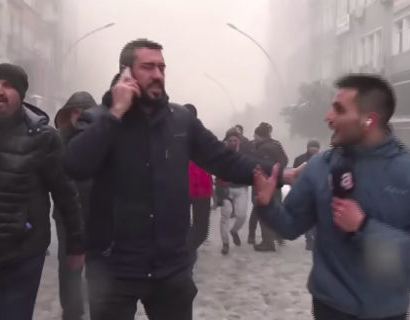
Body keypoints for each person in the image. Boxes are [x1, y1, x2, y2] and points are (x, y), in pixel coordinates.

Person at [63, 38, 301, 320]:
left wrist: (281, 174)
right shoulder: (98, 119)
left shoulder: (180, 119)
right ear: (125, 72)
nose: (157, 75)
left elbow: (224, 160)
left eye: (162, 68)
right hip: (114, 266)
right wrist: (116, 112)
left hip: (170, 266)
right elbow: (75, 164)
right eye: (148, 67)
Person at [253, 74, 410, 320]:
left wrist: (364, 227)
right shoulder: (318, 166)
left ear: (369, 120)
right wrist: (267, 204)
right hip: (329, 307)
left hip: (388, 313)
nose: (328, 117)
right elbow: (290, 226)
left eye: (338, 110)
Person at [0, 63, 85, 320]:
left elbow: (66, 194)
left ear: (21, 93)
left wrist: (76, 244)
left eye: (8, 85)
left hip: (23, 257)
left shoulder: (44, 138)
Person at [53, 91, 97, 320]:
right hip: (66, 216)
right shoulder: (57, 141)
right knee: (69, 265)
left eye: (83, 111)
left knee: (97, 268)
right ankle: (72, 313)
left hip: (97, 214)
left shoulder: (102, 140)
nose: (78, 116)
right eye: (75, 111)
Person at [247, 121, 289, 246]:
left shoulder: (260, 148)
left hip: (263, 182)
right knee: (276, 208)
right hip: (276, 182)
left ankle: (264, 240)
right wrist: (278, 171)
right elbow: (285, 160)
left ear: (261, 136)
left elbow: (254, 164)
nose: (254, 138)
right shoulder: (276, 144)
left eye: (255, 136)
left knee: (259, 208)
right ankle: (279, 236)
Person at [183, 103, 213, 263]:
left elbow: (217, 158)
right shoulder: (171, 135)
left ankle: (188, 250)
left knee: (201, 228)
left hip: (202, 187)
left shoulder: (204, 136)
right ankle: (186, 254)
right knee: (181, 225)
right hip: (180, 187)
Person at [216, 129, 249, 255]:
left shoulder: (245, 153)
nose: (233, 143)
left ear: (239, 141)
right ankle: (225, 244)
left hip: (241, 188)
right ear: (226, 141)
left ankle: (234, 231)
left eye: (235, 140)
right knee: (225, 216)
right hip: (226, 188)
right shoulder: (221, 154)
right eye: (230, 140)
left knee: (241, 216)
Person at [293, 139, 321, 250]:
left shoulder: (323, 160)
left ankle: (316, 238)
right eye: (312, 146)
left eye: (316, 147)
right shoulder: (299, 159)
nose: (314, 148)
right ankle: (309, 241)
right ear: (308, 147)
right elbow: (294, 174)